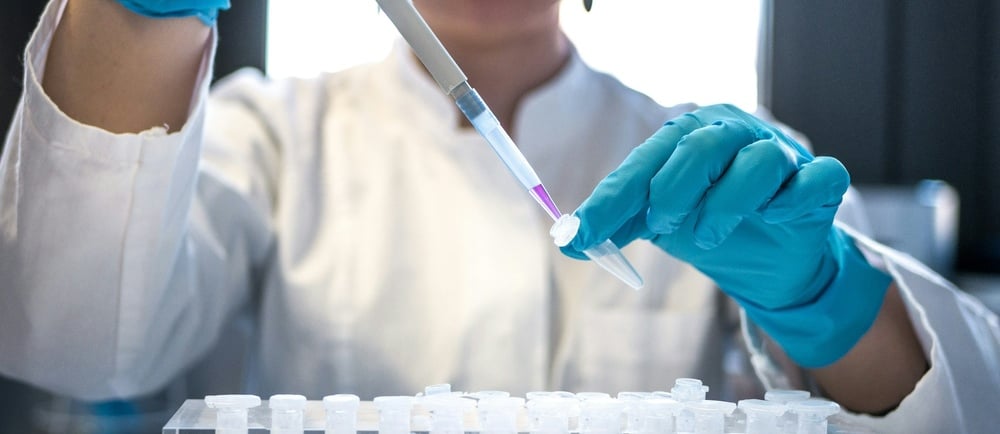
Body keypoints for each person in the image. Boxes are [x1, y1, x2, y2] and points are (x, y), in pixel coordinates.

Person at [0, 0, 996, 432]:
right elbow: (72, 339)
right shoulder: (271, 133)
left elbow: (962, 409)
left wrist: (826, 301)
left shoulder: (710, 159)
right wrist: (136, 18)